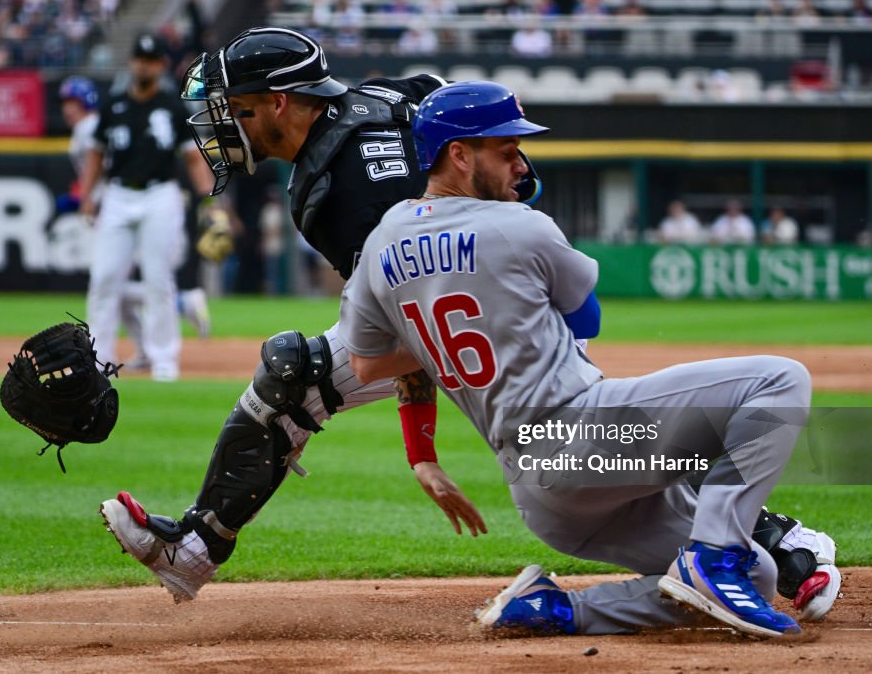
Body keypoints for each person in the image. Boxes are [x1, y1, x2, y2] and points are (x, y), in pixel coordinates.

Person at [338, 81, 841, 638]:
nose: (519, 165)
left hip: (540, 493)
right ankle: (712, 559)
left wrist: (444, 331)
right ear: (459, 154)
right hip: (581, 436)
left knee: (762, 576)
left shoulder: (380, 245)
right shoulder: (519, 226)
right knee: (778, 381)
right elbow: (587, 319)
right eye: (505, 151)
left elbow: (366, 366)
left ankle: (554, 608)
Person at [98, 27, 501, 602]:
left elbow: (408, 323)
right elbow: (456, 99)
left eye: (237, 109)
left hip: (497, 319)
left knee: (567, 461)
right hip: (479, 292)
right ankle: (192, 552)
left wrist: (421, 450)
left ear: (279, 102)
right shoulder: (385, 95)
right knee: (290, 380)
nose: (225, 125)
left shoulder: (331, 193)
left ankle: (669, 530)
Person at [78, 34, 215, 381]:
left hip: (160, 195)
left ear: (160, 66)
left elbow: (193, 157)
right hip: (119, 195)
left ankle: (164, 361)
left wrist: (210, 199)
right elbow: (96, 153)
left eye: (150, 59)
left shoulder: (171, 105)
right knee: (104, 277)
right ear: (132, 62)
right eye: (139, 57)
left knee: (158, 278)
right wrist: (87, 195)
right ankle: (99, 361)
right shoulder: (113, 105)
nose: (143, 64)